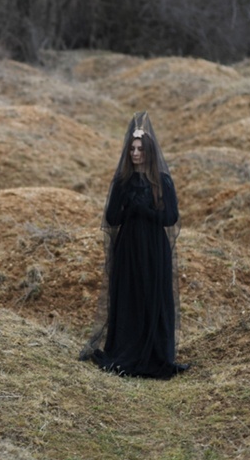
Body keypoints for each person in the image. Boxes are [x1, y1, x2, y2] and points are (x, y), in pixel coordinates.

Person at [80, 111, 190, 379]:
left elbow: (171, 218)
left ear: (150, 152)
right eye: (132, 149)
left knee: (153, 295)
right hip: (128, 248)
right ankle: (127, 349)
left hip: (154, 248)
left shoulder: (162, 181)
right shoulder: (122, 182)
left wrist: (145, 212)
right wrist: (124, 205)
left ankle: (156, 353)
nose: (135, 153)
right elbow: (112, 219)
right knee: (130, 295)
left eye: (140, 149)